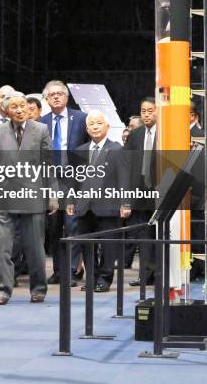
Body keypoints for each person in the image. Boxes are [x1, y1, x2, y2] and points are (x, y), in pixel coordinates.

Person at [0, 92, 58, 304]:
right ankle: (1, 290)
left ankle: (38, 288)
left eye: (22, 105)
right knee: (2, 247)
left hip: (33, 195)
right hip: (4, 195)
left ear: (28, 107)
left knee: (34, 247)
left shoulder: (41, 129)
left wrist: (52, 194)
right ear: (6, 111)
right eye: (14, 106)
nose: (19, 110)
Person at [67, 110, 130, 292]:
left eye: (99, 123)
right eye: (91, 124)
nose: (95, 127)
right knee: (87, 244)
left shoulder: (117, 149)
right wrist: (70, 201)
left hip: (109, 206)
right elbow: (73, 179)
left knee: (109, 244)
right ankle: (92, 278)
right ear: (87, 129)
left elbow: (124, 178)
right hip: (84, 206)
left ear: (107, 127)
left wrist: (125, 203)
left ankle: (105, 278)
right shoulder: (79, 151)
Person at [40, 80, 88, 284]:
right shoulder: (41, 122)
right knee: (53, 227)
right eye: (52, 94)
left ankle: (71, 270)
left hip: (74, 181)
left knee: (72, 226)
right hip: (51, 182)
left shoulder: (81, 118)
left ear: (67, 97)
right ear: (47, 99)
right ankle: (58, 271)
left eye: (60, 93)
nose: (57, 97)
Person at [125, 97, 157, 285]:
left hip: (160, 191)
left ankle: (160, 273)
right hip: (139, 191)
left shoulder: (167, 132)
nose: (146, 114)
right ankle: (145, 275)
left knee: (160, 234)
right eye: (143, 111)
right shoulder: (135, 135)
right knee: (143, 236)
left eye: (150, 110)